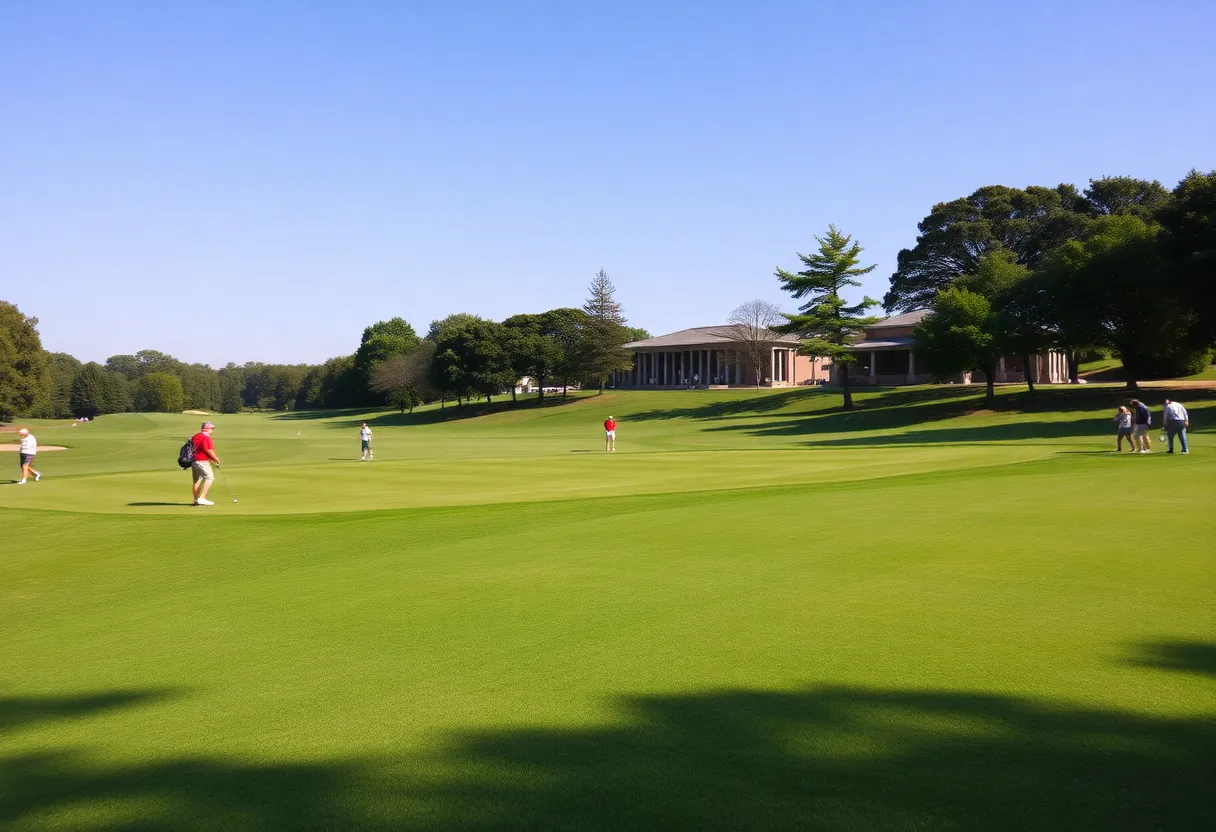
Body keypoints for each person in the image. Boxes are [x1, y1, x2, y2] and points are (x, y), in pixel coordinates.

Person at [190, 421, 221, 506]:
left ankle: (196, 500)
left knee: (197, 481)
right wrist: (216, 459)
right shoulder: (206, 438)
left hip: (194, 461)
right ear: (207, 428)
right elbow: (209, 451)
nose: (212, 430)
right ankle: (202, 498)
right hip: (202, 461)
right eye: (212, 428)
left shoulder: (195, 436)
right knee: (209, 477)